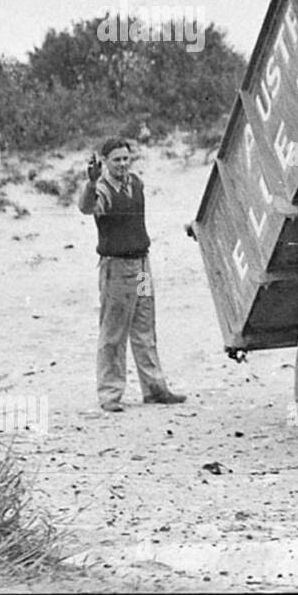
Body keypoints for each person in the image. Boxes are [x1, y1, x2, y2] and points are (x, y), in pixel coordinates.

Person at [78, 137, 184, 412]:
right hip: (117, 268)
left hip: (141, 266)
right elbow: (87, 207)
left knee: (145, 327)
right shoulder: (101, 189)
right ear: (104, 162)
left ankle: (155, 389)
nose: (123, 164)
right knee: (114, 333)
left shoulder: (136, 183)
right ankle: (110, 394)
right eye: (116, 160)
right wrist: (90, 183)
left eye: (126, 158)